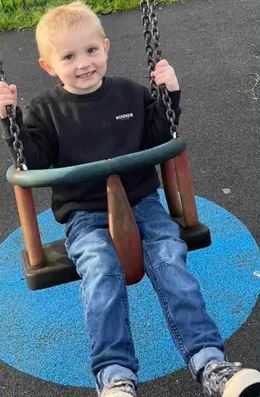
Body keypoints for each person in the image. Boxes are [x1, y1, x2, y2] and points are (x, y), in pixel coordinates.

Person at [1, 2, 260, 397]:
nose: (83, 63)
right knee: (101, 270)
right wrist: (10, 119)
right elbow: (31, 159)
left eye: (90, 51)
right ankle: (116, 376)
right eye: (69, 56)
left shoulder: (129, 94)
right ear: (49, 66)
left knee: (170, 257)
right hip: (84, 215)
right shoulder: (44, 111)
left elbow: (160, 134)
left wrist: (169, 93)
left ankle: (211, 364)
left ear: (105, 47)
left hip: (143, 203)